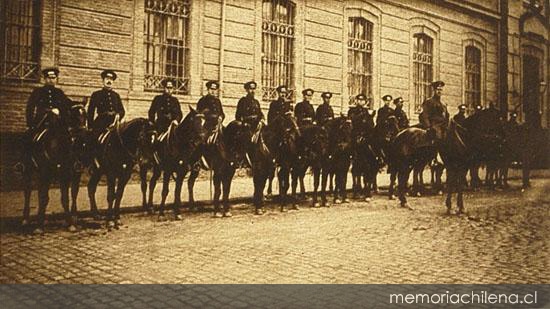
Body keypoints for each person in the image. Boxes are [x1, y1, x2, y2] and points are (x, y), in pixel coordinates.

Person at [17, 67, 73, 172]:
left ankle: (67, 164)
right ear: (44, 79)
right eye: (48, 78)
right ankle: (23, 163)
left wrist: (59, 109)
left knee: (68, 138)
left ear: (56, 79)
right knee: (27, 137)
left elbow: (67, 104)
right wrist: (30, 124)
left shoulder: (59, 92)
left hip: (57, 123)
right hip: (41, 122)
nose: (51, 80)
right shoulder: (38, 91)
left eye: (53, 77)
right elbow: (30, 108)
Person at [87, 69, 125, 141]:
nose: (109, 81)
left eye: (111, 79)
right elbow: (90, 112)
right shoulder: (96, 94)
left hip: (114, 123)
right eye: (107, 79)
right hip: (101, 123)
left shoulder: (116, 95)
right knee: (93, 140)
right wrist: (90, 127)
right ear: (103, 80)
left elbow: (122, 110)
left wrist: (118, 115)